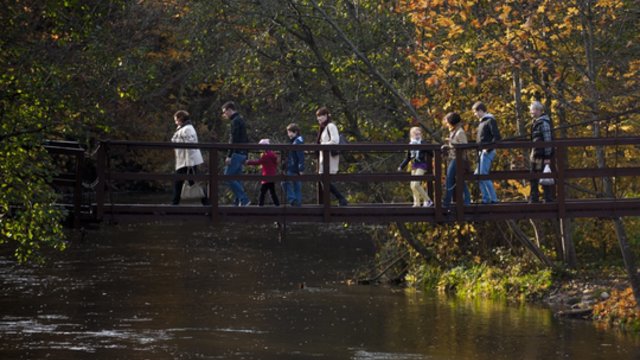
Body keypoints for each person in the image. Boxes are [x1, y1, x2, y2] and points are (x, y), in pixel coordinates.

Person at [170, 110, 209, 205]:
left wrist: (189, 162)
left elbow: (190, 145)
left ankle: (174, 204)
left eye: (176, 120)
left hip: (187, 161)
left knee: (179, 182)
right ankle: (207, 203)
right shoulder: (183, 128)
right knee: (192, 182)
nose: (175, 122)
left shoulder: (187, 129)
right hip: (185, 160)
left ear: (180, 119)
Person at [316, 106, 348, 206]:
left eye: (321, 116)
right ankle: (338, 200)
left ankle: (340, 199)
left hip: (329, 158)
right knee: (324, 181)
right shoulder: (324, 128)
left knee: (325, 181)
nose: (319, 118)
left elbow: (335, 141)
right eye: (318, 117)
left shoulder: (331, 126)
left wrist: (323, 145)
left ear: (326, 116)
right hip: (324, 159)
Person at [221, 101, 251, 206]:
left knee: (228, 176)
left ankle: (243, 198)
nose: (225, 115)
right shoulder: (241, 119)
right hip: (242, 152)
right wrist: (246, 155)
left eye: (225, 112)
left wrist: (229, 155)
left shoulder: (235, 121)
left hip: (236, 153)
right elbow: (246, 138)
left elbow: (233, 139)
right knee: (237, 178)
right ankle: (238, 200)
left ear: (230, 110)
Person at [472, 101, 501, 204]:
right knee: (477, 174)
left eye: (475, 112)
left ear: (480, 111)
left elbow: (496, 137)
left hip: (487, 151)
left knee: (483, 174)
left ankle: (493, 198)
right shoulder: (482, 122)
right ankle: (486, 198)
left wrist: (488, 149)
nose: (475, 114)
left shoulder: (489, 121)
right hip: (482, 152)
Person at [397, 126, 433, 207]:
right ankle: (416, 203)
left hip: (422, 165)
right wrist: (401, 166)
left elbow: (431, 152)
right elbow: (408, 158)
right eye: (415, 133)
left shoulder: (422, 143)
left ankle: (428, 200)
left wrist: (428, 149)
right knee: (412, 185)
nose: (417, 135)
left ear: (421, 134)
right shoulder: (411, 145)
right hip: (414, 165)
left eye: (418, 133)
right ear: (412, 135)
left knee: (416, 184)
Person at [442, 112, 471, 207]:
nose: (446, 123)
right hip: (454, 158)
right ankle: (467, 199)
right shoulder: (454, 131)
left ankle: (447, 202)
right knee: (458, 179)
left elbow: (464, 145)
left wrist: (452, 142)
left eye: (447, 121)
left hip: (458, 159)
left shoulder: (460, 132)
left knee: (450, 178)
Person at [528, 101, 554, 203]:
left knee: (542, 175)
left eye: (532, 110)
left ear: (538, 110)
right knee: (535, 175)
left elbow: (548, 140)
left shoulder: (543, 123)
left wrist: (547, 156)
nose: (531, 112)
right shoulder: (536, 122)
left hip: (541, 154)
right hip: (536, 153)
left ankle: (546, 198)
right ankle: (535, 197)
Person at [246, 139, 280, 207]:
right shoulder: (272, 154)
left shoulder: (266, 155)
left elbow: (258, 162)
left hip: (266, 176)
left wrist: (248, 162)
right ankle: (277, 204)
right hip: (272, 175)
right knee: (272, 192)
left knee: (263, 191)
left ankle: (260, 205)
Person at [283, 123, 305, 206]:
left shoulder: (297, 142)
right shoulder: (296, 141)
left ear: (295, 132)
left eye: (290, 132)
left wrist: (301, 168)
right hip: (294, 167)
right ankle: (297, 205)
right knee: (297, 186)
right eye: (288, 132)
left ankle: (292, 200)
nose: (289, 134)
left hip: (294, 168)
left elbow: (301, 156)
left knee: (284, 182)